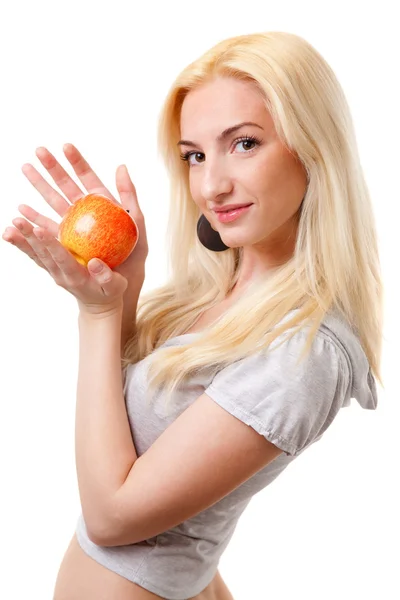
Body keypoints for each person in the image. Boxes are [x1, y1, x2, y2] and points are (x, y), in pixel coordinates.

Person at [2, 30, 383, 600]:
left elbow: (111, 518)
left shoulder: (303, 352)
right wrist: (124, 293)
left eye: (245, 143)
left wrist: (97, 317)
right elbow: (165, 486)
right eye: (195, 155)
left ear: (313, 146)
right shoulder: (216, 293)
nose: (211, 185)